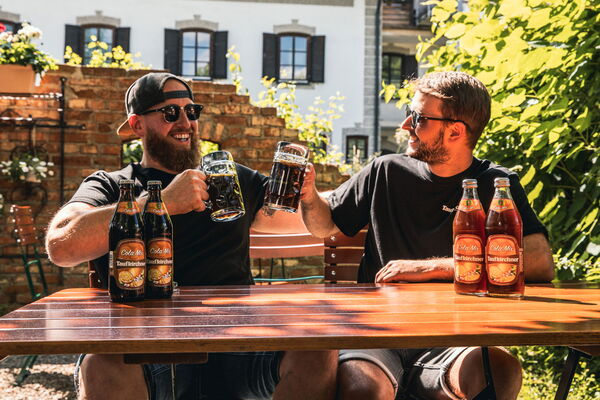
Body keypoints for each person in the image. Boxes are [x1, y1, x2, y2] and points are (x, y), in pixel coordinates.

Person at [45, 72, 337, 400]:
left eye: (191, 111)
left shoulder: (230, 179)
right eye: (170, 113)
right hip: (148, 349)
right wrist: (162, 202)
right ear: (137, 125)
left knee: (318, 348)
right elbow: (61, 245)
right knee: (101, 366)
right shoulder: (115, 186)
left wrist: (310, 196)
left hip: (238, 343)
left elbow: (313, 225)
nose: (185, 122)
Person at [300, 71, 554, 400]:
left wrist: (429, 268)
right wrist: (309, 198)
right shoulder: (386, 171)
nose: (406, 124)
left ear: (455, 131)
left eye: (419, 118)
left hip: (455, 337)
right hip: (378, 336)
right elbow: (326, 225)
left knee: (502, 371)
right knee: (363, 387)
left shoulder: (496, 183)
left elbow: (538, 262)